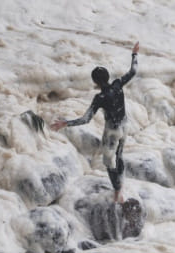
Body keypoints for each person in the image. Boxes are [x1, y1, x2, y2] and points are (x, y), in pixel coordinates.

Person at [50, 41, 140, 203]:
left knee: (108, 162)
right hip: (125, 125)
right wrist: (134, 54)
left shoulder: (100, 98)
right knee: (119, 156)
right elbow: (133, 71)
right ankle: (121, 185)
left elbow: (86, 119)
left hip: (112, 131)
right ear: (107, 77)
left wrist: (65, 123)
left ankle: (117, 191)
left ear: (95, 82)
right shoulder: (118, 84)